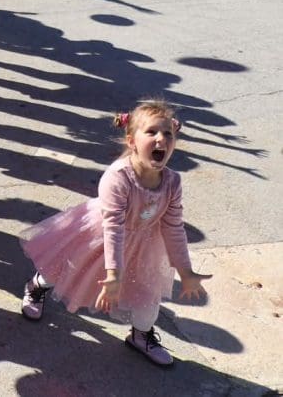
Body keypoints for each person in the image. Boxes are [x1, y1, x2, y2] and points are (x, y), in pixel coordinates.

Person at [19, 101, 211, 367]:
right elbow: (114, 228)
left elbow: (174, 226)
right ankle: (36, 287)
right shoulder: (118, 176)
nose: (161, 139)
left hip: (144, 245)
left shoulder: (172, 182)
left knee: (148, 296)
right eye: (152, 132)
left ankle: (141, 335)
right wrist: (114, 274)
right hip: (99, 238)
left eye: (168, 133)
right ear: (132, 141)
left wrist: (185, 270)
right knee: (64, 270)